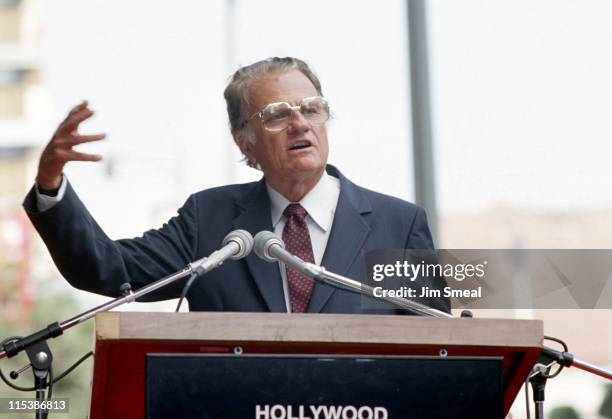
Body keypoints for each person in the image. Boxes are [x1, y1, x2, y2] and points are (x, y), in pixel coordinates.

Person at [23, 57, 449, 314]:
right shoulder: (209, 221)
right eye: (278, 115)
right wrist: (49, 184)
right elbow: (109, 269)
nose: (299, 122)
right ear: (244, 141)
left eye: (311, 109)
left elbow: (442, 348)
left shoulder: (399, 224)